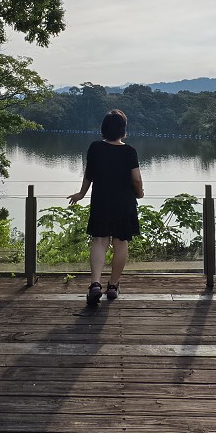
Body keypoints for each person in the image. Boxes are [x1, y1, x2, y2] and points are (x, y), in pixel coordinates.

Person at [67, 108, 145, 304]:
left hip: (101, 201)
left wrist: (81, 194)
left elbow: (89, 174)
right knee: (121, 243)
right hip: (124, 203)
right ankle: (112, 286)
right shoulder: (129, 151)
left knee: (99, 241)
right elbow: (136, 179)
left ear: (104, 128)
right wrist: (140, 193)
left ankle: (95, 284)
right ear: (123, 130)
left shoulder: (95, 148)